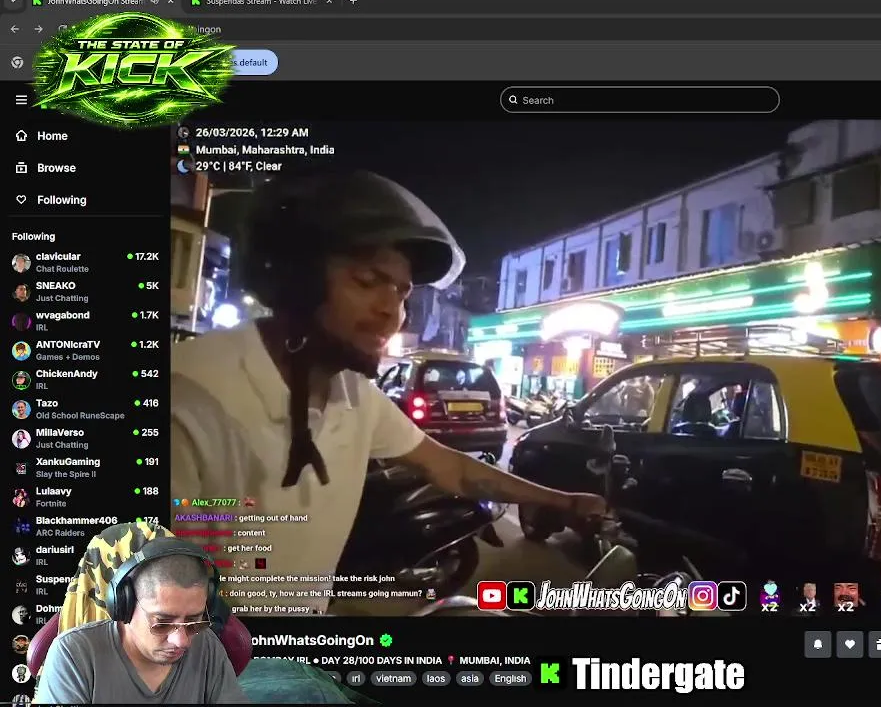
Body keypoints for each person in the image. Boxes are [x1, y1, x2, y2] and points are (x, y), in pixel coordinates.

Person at [170, 170, 607, 616]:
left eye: (401, 293)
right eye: (366, 281)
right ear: (296, 281)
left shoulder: (353, 393)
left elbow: (453, 469)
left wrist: (563, 501)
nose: (392, 313)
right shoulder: (190, 396)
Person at [33, 545, 248, 703]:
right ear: (124, 607)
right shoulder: (73, 654)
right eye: (162, 623)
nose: (182, 641)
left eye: (194, 621)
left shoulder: (207, 645)